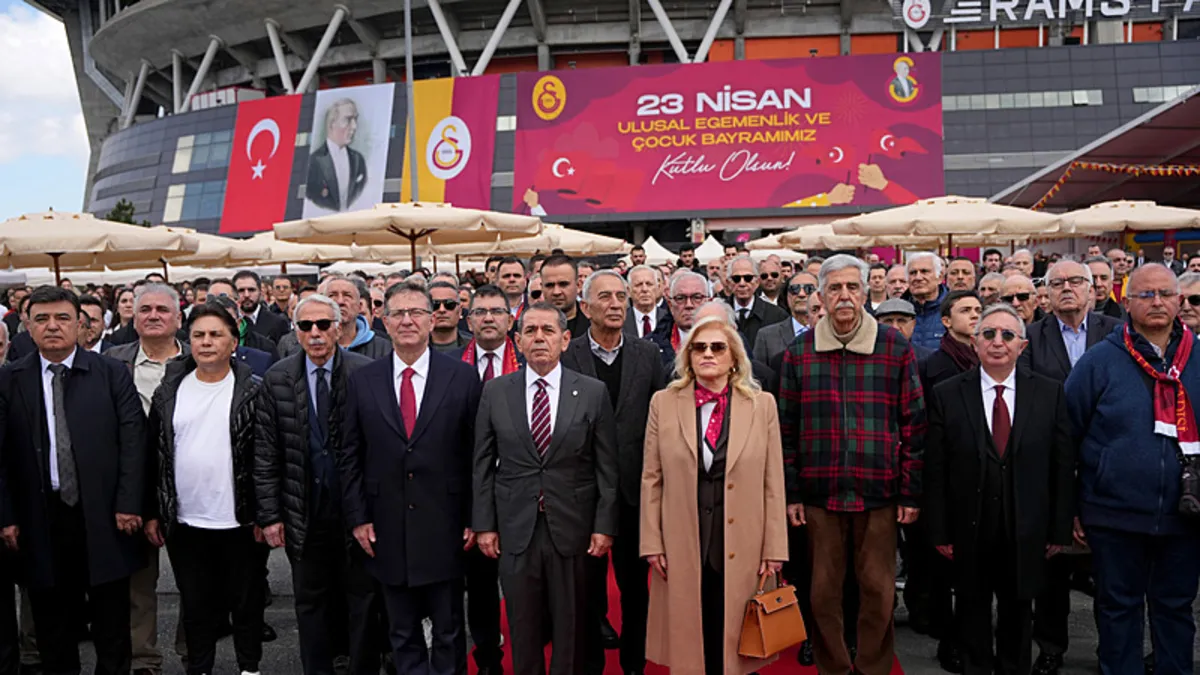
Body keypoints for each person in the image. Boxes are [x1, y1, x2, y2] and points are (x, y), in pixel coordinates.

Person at [778, 255, 925, 675]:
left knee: (878, 592)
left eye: (852, 287)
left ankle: (874, 667)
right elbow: (785, 431)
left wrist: (910, 491)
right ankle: (834, 667)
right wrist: (792, 493)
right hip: (819, 495)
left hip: (879, 491)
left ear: (865, 293)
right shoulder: (799, 352)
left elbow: (914, 423)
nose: (844, 296)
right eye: (835, 288)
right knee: (822, 594)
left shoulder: (894, 346)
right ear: (821, 296)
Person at [0, 285, 146, 675]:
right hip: (39, 518)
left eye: (62, 317)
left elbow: (134, 441)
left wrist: (129, 503)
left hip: (104, 514)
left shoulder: (111, 373)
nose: (52, 326)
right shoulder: (10, 379)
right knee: (52, 625)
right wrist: (6, 516)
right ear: (27, 326)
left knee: (111, 622)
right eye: (42, 319)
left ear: (80, 323)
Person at [339, 281, 482, 675]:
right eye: (398, 313)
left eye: (416, 312)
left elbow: (477, 454)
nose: (407, 320)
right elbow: (350, 454)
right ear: (383, 322)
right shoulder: (363, 380)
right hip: (385, 524)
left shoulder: (462, 377)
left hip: (447, 522)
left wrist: (475, 517)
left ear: (431, 319)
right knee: (402, 631)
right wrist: (358, 518)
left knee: (449, 629)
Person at [925, 303, 1076, 675]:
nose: (997, 342)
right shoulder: (947, 394)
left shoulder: (1049, 393)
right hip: (969, 526)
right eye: (988, 334)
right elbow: (936, 469)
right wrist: (940, 531)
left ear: (1022, 346)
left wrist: (1058, 530)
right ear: (975, 343)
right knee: (971, 612)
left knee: (1018, 614)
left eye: (1008, 335)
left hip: (1026, 528)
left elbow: (1061, 466)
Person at [1065, 263, 1200, 675]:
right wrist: (1072, 506)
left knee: (1175, 608)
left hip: (1185, 514)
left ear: (1179, 300)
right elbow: (1067, 436)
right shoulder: (1099, 361)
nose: (1157, 302)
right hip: (1114, 513)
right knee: (1118, 609)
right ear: (1126, 303)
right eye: (1146, 294)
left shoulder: (1197, 357)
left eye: (1165, 294)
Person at [472, 302, 619, 675]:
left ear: (565, 340)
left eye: (548, 330)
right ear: (517, 341)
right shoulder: (495, 392)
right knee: (522, 626)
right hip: (515, 527)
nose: (539, 338)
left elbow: (606, 466)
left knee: (571, 626)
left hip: (573, 526)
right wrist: (484, 524)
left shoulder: (592, 392)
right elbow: (482, 464)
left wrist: (604, 525)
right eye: (530, 331)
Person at [640, 314, 788, 675]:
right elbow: (651, 478)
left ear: (734, 357)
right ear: (687, 356)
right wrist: (652, 542)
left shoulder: (762, 405)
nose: (708, 354)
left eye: (718, 347)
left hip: (744, 540)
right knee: (691, 631)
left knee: (735, 632)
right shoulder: (663, 403)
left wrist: (774, 548)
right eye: (699, 348)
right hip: (681, 538)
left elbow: (773, 482)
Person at [255, 294, 379, 675]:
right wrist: (270, 515)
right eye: (306, 326)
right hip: (302, 510)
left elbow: (378, 448)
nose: (315, 333)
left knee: (363, 599)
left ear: (339, 328)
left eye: (324, 324)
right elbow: (266, 452)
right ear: (295, 331)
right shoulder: (277, 377)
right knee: (310, 602)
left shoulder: (365, 372)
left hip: (355, 509)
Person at [144, 302, 265, 675]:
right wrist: (153, 511)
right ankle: (199, 668)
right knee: (196, 605)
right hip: (186, 521)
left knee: (246, 603)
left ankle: (249, 667)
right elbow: (154, 454)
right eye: (198, 335)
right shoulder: (169, 391)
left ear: (233, 342)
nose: (206, 342)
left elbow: (267, 457)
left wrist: (267, 513)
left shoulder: (255, 390)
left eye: (216, 334)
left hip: (241, 519)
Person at [561, 271, 664, 675]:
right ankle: (590, 665)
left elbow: (659, 421)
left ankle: (634, 665)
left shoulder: (648, 354)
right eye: (605, 297)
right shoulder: (568, 355)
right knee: (585, 590)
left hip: (634, 493)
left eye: (622, 296)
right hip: (582, 494)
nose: (617, 304)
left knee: (636, 590)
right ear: (585, 307)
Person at [104, 284, 188, 675]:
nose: (153, 315)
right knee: (137, 583)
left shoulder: (199, 360)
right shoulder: (111, 361)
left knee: (196, 582)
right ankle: (143, 660)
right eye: (145, 309)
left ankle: (195, 654)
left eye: (162, 309)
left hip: (188, 485)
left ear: (178, 318)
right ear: (133, 317)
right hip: (132, 485)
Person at [905, 290, 981, 671]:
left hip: (981, 477)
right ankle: (945, 634)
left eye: (978, 309)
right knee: (940, 566)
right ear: (946, 321)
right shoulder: (930, 366)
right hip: (942, 476)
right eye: (966, 310)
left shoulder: (991, 362)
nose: (975, 316)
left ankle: (971, 635)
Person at [452, 286, 520, 675]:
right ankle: (487, 656)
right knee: (479, 583)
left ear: (511, 320)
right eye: (480, 312)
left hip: (521, 490)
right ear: (469, 320)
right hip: (470, 491)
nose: (488, 318)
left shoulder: (530, 361)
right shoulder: (449, 366)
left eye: (496, 311)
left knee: (524, 582)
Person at [279, 275, 392, 359]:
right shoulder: (305, 346)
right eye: (332, 295)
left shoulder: (384, 348)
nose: (340, 301)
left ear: (359, 306)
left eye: (347, 295)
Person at [307, 98, 367, 212]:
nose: (354, 126)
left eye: (355, 119)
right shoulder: (314, 161)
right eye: (348, 119)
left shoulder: (358, 160)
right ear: (332, 124)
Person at [753, 271, 816, 366]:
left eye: (809, 289)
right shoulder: (766, 336)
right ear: (787, 296)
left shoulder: (832, 332)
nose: (801, 294)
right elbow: (758, 373)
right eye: (794, 289)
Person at [724, 255, 788, 348]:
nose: (742, 283)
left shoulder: (777, 316)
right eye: (736, 279)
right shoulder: (718, 313)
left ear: (757, 282)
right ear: (729, 283)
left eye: (748, 278)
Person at [904, 252, 948, 350]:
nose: (918, 278)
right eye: (913, 273)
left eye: (924, 271)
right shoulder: (899, 311)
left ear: (940, 277)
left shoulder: (953, 309)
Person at [233, 271, 291, 345]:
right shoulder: (227, 322)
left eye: (251, 290)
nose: (246, 295)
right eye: (241, 290)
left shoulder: (278, 323)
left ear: (260, 292)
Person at [540, 255, 591, 338]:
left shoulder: (595, 326)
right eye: (549, 285)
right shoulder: (526, 326)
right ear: (542, 287)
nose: (556, 292)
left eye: (563, 284)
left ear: (578, 285)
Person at [624, 264, 669, 341]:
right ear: (628, 291)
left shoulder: (669, 319)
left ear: (658, 288)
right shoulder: (621, 321)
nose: (644, 289)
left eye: (649, 284)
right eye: (638, 285)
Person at [428, 281, 471, 353]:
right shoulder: (413, 347)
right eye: (435, 305)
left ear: (460, 311)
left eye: (449, 304)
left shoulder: (475, 347)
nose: (442, 310)